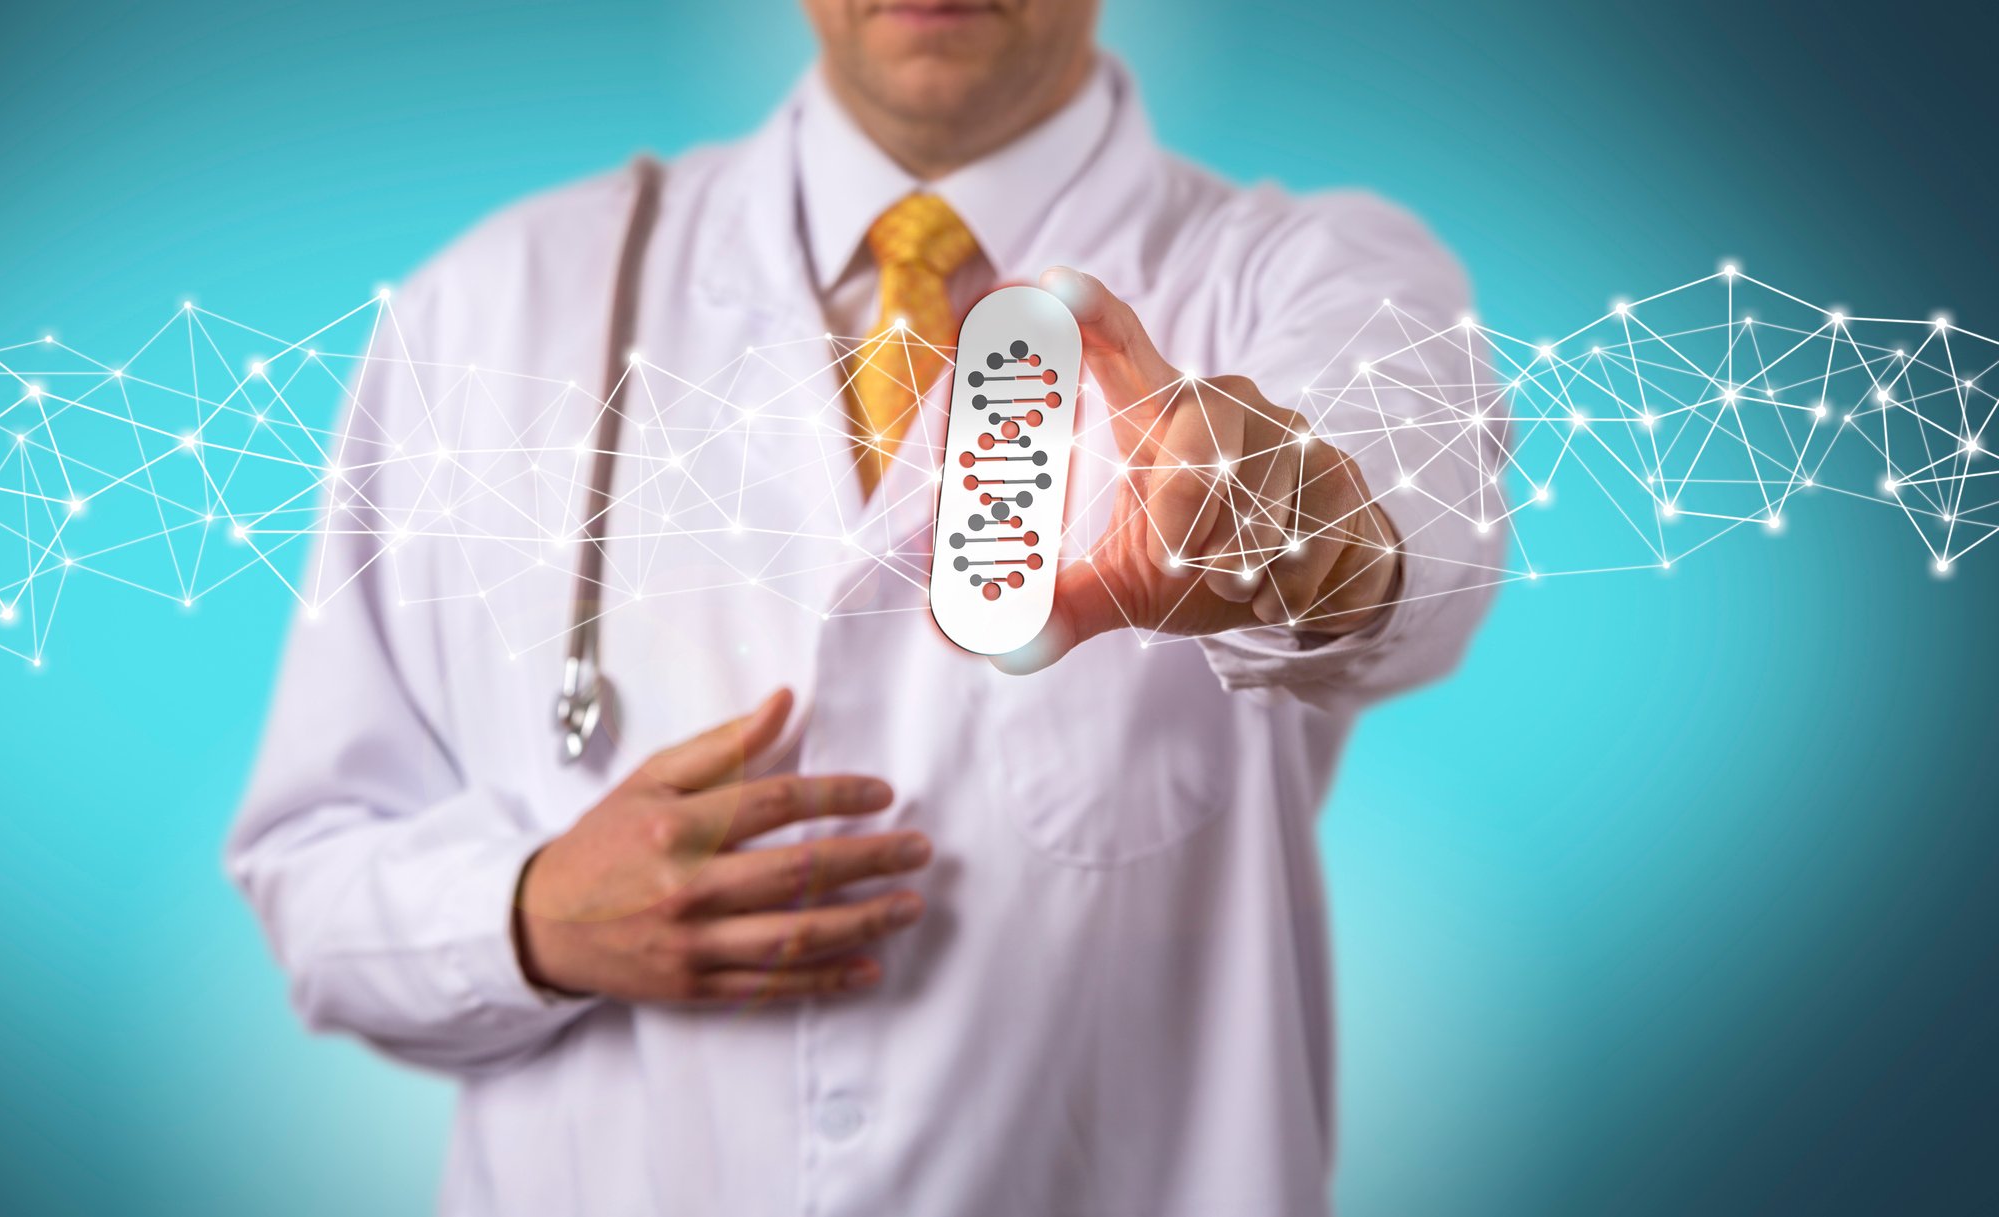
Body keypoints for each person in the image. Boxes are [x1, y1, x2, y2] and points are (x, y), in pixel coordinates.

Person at [229, 1, 1504, 1212]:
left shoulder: (1309, 275)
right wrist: (523, 915)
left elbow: (1404, 523)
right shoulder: (494, 304)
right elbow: (313, 873)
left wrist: (1280, 522)